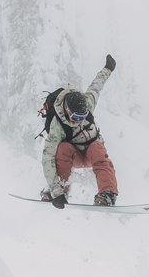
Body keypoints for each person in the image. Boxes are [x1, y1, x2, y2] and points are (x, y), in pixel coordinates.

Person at [41, 54, 119, 207]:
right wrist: (56, 191)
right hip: (74, 155)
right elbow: (47, 158)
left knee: (97, 148)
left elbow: (96, 86)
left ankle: (107, 194)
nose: (80, 120)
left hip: (92, 151)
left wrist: (108, 69)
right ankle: (61, 188)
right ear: (68, 111)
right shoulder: (57, 126)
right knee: (63, 148)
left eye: (83, 116)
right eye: (76, 117)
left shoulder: (87, 103)